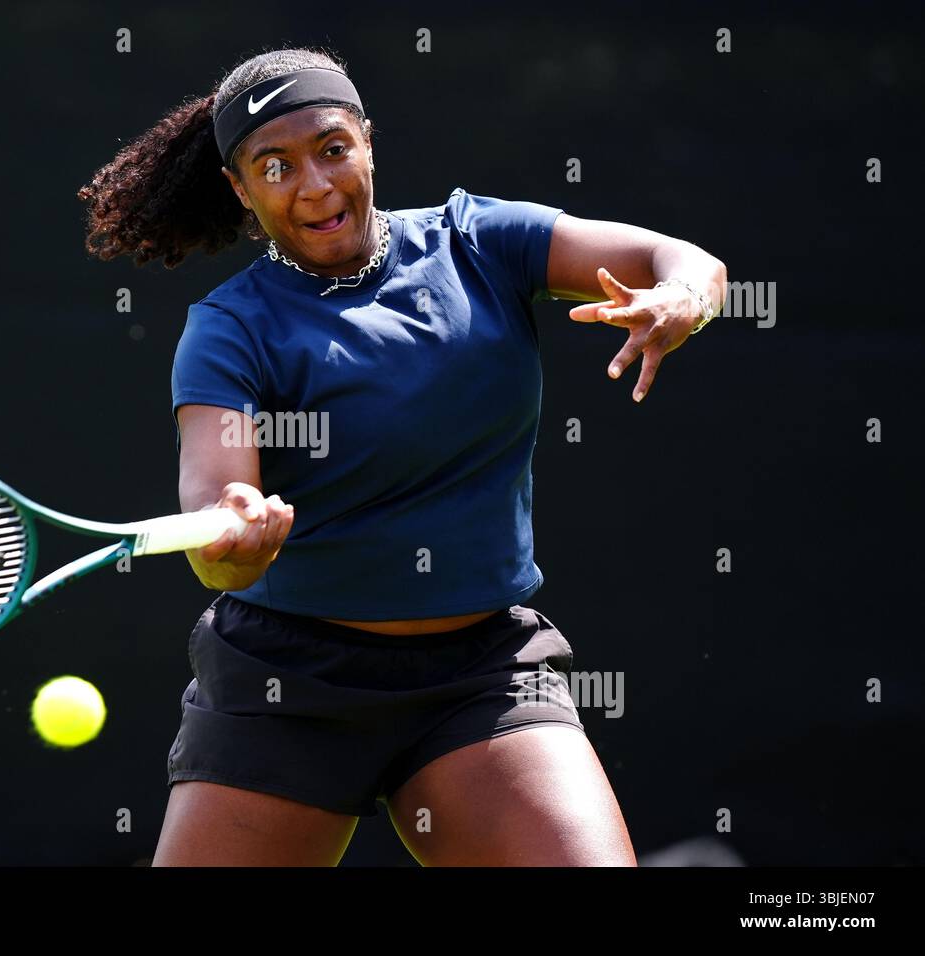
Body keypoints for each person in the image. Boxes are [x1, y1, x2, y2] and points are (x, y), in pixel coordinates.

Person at [77, 46, 726, 866]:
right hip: (289, 686)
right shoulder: (229, 328)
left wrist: (680, 300)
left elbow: (690, 262)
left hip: (480, 680)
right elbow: (218, 499)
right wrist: (234, 531)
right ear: (239, 191)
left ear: (368, 144)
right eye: (275, 167)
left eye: (332, 149)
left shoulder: (481, 241)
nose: (314, 185)